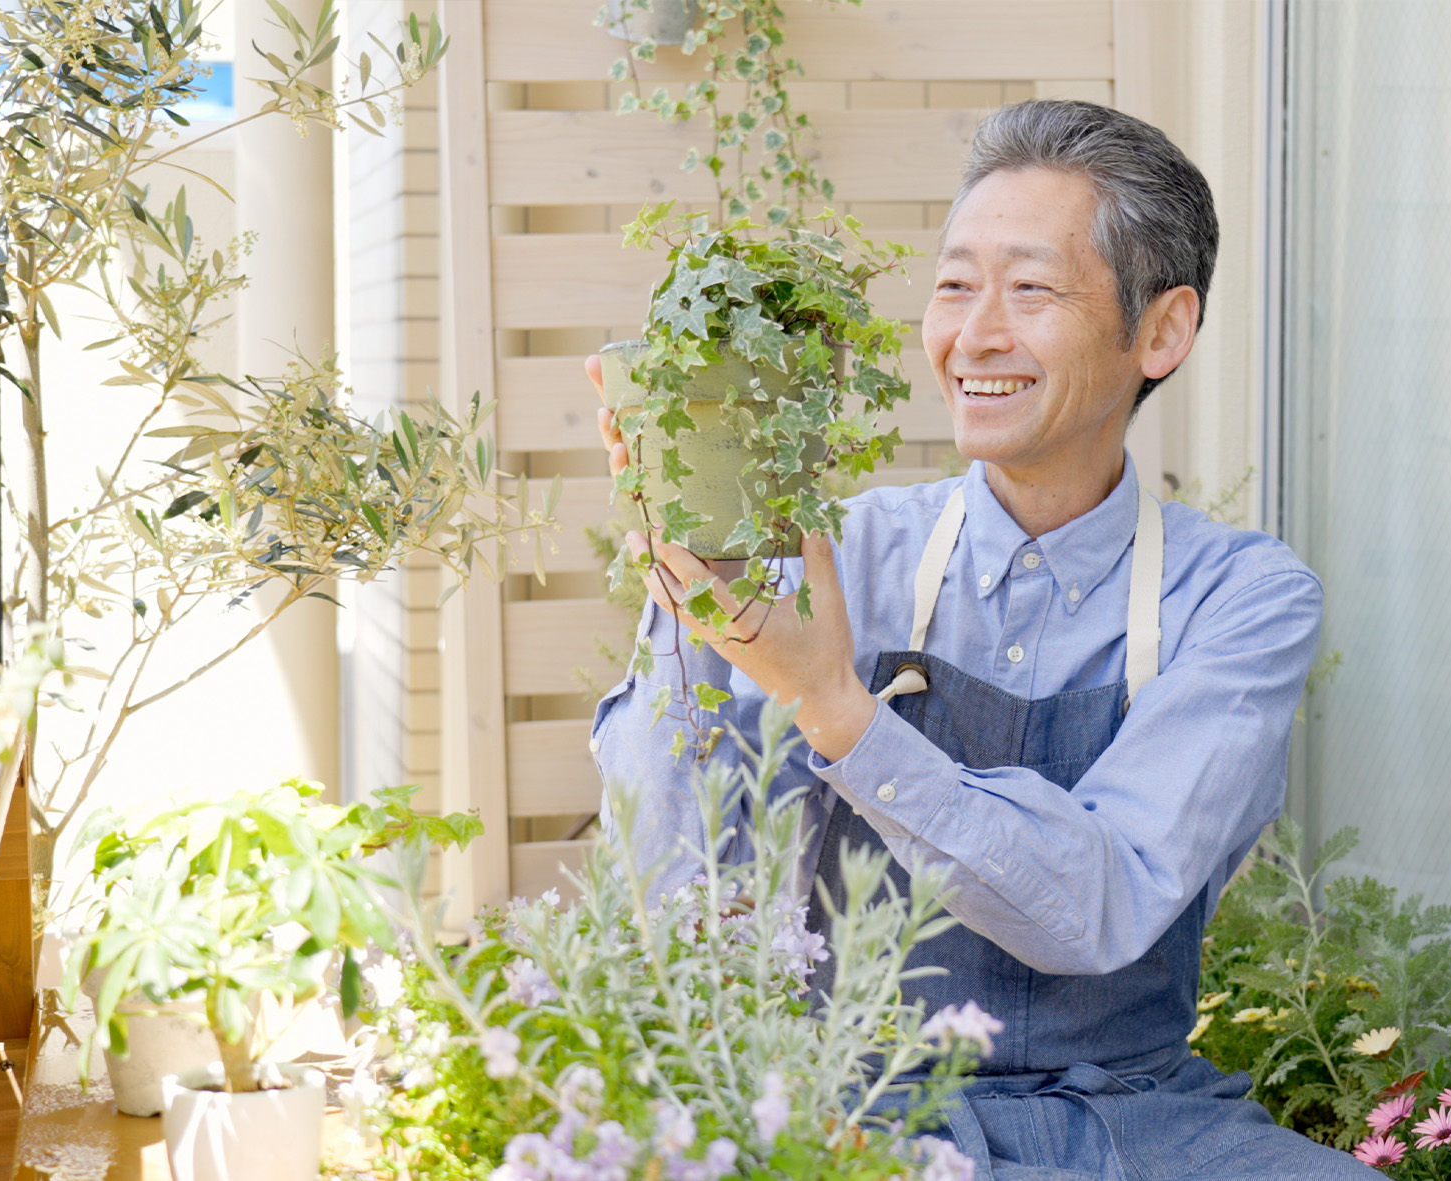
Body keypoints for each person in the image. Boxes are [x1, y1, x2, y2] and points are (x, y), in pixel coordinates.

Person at [589, 99, 1378, 1180]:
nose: (975, 334)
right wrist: (685, 567)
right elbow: (673, 871)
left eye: (1030, 288)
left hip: (1134, 1120)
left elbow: (1099, 899)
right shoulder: (844, 557)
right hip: (855, 1111)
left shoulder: (1237, 597)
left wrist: (840, 711)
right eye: (955, 285)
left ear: (1161, 330)